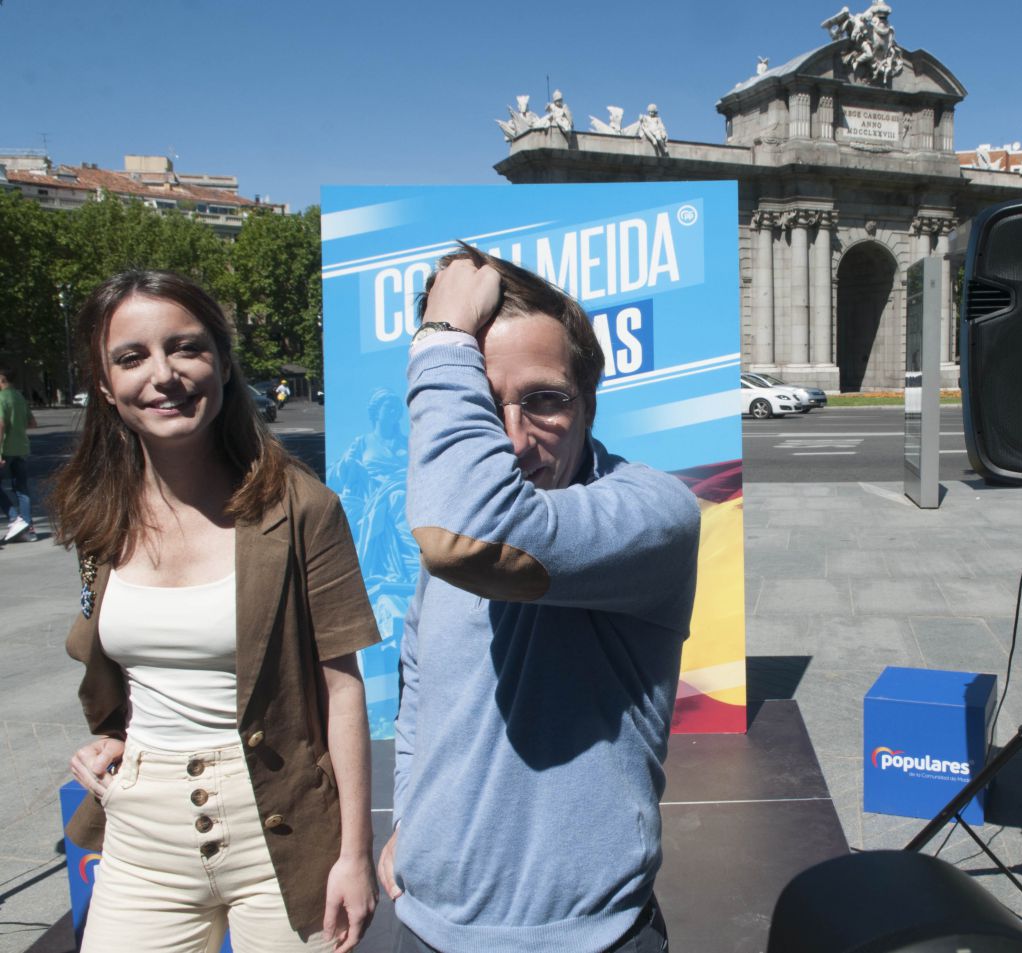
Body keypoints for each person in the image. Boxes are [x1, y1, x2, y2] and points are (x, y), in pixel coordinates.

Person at [378, 246, 701, 952]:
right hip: (426, 924)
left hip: (589, 940)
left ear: (589, 402)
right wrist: (413, 818)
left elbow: (477, 532)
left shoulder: (652, 512)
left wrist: (440, 343)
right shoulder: (451, 530)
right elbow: (420, 691)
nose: (514, 439)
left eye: (545, 400)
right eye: (481, 400)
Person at [51, 270, 380, 953]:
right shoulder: (98, 520)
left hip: (283, 824)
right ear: (106, 387)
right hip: (142, 827)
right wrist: (114, 734)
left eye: (186, 348)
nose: (163, 374)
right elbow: (126, 663)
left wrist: (354, 852)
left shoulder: (301, 508)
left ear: (223, 365)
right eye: (131, 357)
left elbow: (342, 687)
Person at [0, 366, 38, 542]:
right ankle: (28, 528)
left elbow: (0, 425)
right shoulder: (20, 397)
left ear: (2, 379)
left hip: (6, 449)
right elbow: (32, 423)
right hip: (22, 448)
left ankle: (15, 518)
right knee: (22, 489)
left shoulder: (1, 398)